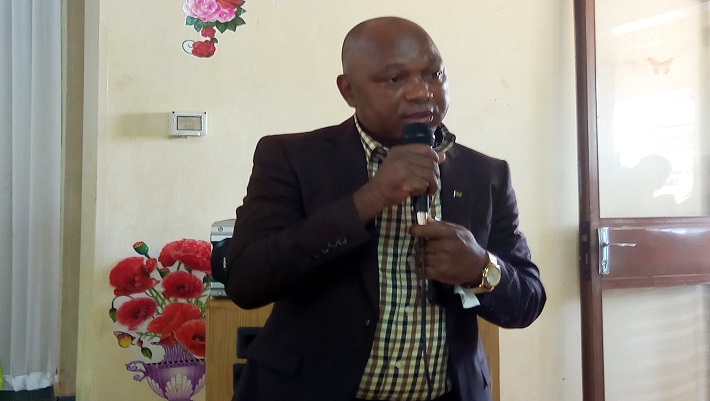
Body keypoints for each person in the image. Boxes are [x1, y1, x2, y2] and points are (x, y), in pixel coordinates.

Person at [225, 16, 546, 401]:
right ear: (348, 90)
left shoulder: (486, 174)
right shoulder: (291, 158)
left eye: (433, 74)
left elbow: (528, 299)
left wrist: (482, 268)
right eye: (395, 78)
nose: (421, 92)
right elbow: (246, 281)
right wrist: (370, 199)